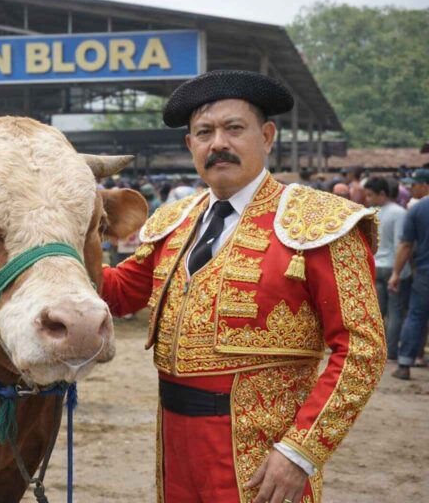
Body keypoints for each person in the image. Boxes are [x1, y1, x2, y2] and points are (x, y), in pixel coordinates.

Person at [101, 70, 385, 503]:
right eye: (204, 132)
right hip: (175, 441)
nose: (218, 143)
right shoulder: (174, 221)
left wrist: (300, 451)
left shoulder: (318, 222)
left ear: (267, 136)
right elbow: (119, 292)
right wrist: (53, 249)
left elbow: (362, 348)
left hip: (262, 453)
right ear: (190, 146)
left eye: (234, 129)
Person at [364, 177, 411, 361]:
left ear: (382, 194)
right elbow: (401, 242)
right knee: (395, 312)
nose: (367, 199)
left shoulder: (368, 213)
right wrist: (399, 272)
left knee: (377, 312)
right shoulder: (399, 213)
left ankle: (375, 350)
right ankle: (390, 351)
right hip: (393, 266)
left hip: (376, 266)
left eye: (370, 195)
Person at [389, 168, 429, 380]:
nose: (410, 189)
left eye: (414, 185)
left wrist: (396, 273)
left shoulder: (417, 209)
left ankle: (404, 364)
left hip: (425, 272)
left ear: (425, 185)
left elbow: (405, 245)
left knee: (416, 316)